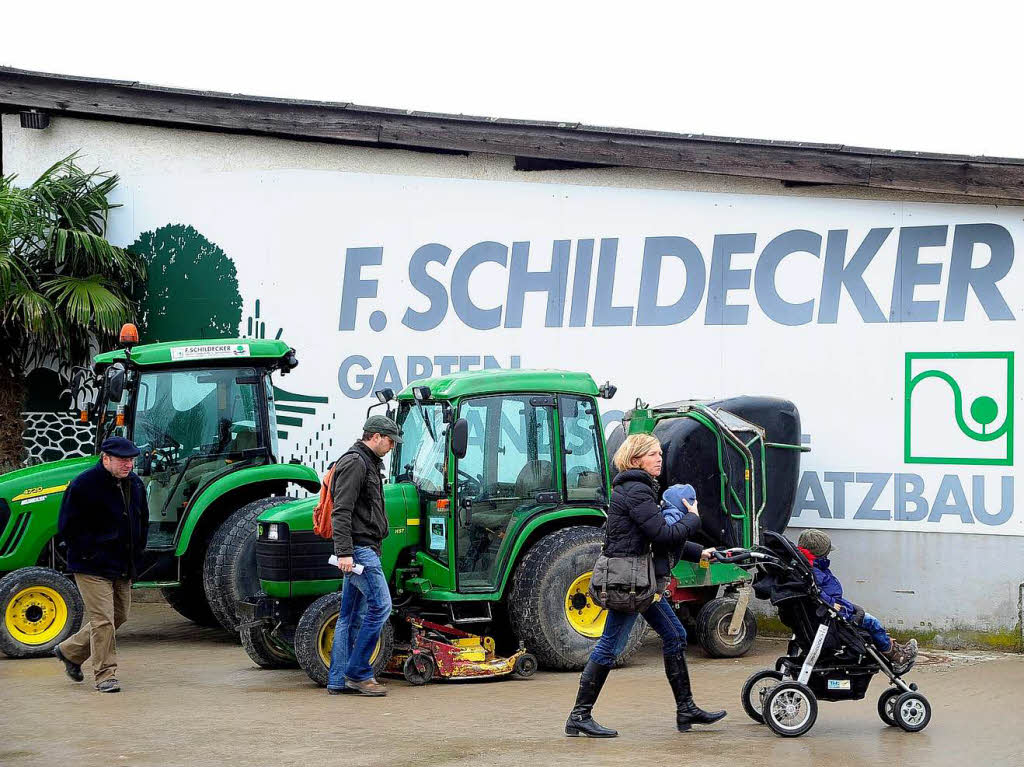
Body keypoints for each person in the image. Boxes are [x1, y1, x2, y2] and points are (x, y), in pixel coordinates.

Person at [565, 434, 726, 738]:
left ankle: (685, 709)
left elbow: (651, 536)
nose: (659, 459)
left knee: (675, 635)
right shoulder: (636, 491)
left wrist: (696, 550)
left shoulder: (639, 489)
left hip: (640, 580)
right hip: (629, 582)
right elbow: (662, 533)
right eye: (652, 454)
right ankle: (579, 715)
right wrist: (694, 520)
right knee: (610, 646)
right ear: (636, 459)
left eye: (659, 454)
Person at [54, 437, 149, 693]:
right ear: (105, 458)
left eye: (131, 460)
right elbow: (67, 527)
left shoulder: (136, 485)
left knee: (120, 615)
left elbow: (142, 523)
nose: (128, 465)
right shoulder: (84, 485)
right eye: (122, 460)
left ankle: (70, 651)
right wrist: (88, 554)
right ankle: (105, 674)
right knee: (103, 620)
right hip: (91, 566)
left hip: (122, 565)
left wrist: (137, 555)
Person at [326, 414, 402, 697]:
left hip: (361, 549)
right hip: (359, 551)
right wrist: (344, 552)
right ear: (376, 437)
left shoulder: (366, 462)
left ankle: (337, 680)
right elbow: (341, 511)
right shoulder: (356, 463)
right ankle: (358, 672)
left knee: (349, 616)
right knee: (381, 607)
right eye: (390, 440)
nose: (392, 446)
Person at [797, 529, 917, 672]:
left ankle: (893, 647)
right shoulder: (814, 572)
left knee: (868, 623)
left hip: (832, 610)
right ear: (821, 554)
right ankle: (895, 656)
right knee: (872, 623)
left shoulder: (806, 568)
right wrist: (831, 604)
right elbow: (817, 593)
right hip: (833, 614)